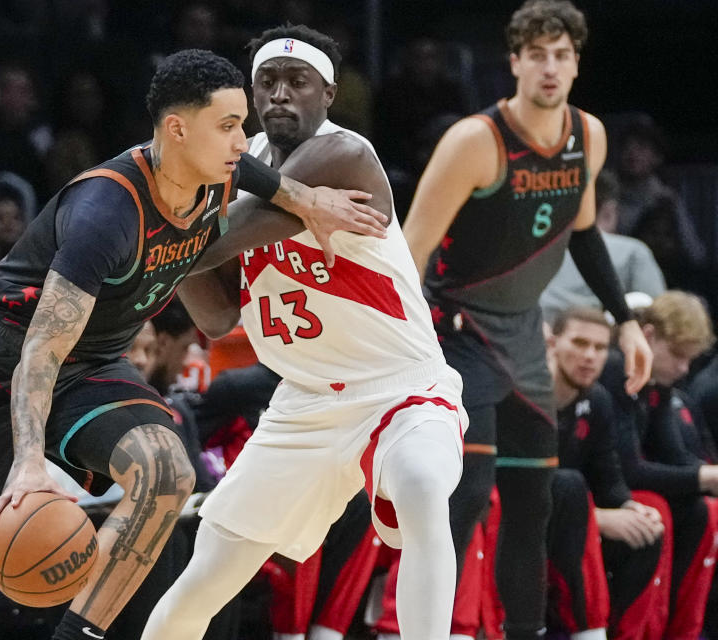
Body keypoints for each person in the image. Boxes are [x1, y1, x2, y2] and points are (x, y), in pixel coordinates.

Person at [0, 48, 387, 640]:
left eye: (243, 123)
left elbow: (257, 175)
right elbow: (41, 350)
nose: (245, 140)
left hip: (87, 365)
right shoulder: (105, 212)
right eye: (230, 125)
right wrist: (28, 463)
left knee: (166, 474)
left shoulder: (217, 168)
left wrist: (309, 200)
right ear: (177, 129)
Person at [143, 25, 466, 640]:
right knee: (208, 568)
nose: (281, 95)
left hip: (399, 389)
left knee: (423, 484)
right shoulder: (241, 169)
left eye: (298, 83)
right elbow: (215, 318)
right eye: (267, 83)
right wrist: (177, 238)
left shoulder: (344, 155)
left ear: (329, 94)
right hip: (304, 399)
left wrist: (168, 216)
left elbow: (212, 241)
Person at [399, 3, 653, 637]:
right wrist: (405, 341)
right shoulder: (474, 141)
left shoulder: (587, 136)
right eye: (536, 53)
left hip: (524, 338)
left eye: (561, 54)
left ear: (575, 63)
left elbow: (586, 233)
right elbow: (409, 252)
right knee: (469, 493)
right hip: (457, 330)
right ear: (513, 61)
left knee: (532, 504)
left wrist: (625, 323)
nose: (549, 66)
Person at [601, 290, 718, 640]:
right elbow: (629, 468)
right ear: (648, 335)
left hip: (623, 482)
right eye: (679, 356)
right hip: (603, 487)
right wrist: (706, 476)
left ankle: (683, 631)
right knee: (656, 511)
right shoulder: (615, 368)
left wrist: (706, 477)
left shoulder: (658, 381)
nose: (684, 369)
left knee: (702, 512)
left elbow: (674, 456)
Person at [548, 307, 668, 639]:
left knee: (648, 527)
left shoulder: (598, 399)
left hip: (575, 516)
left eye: (600, 348)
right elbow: (518, 486)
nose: (589, 356)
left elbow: (609, 476)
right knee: (568, 484)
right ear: (553, 343)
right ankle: (585, 629)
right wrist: (597, 518)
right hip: (525, 520)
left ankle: (614, 631)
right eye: (579, 343)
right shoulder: (526, 394)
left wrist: (630, 508)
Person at [539, 170, 666, 324]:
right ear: (609, 210)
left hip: (537, 339)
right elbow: (656, 317)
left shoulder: (535, 249)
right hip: (603, 343)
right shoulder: (634, 252)